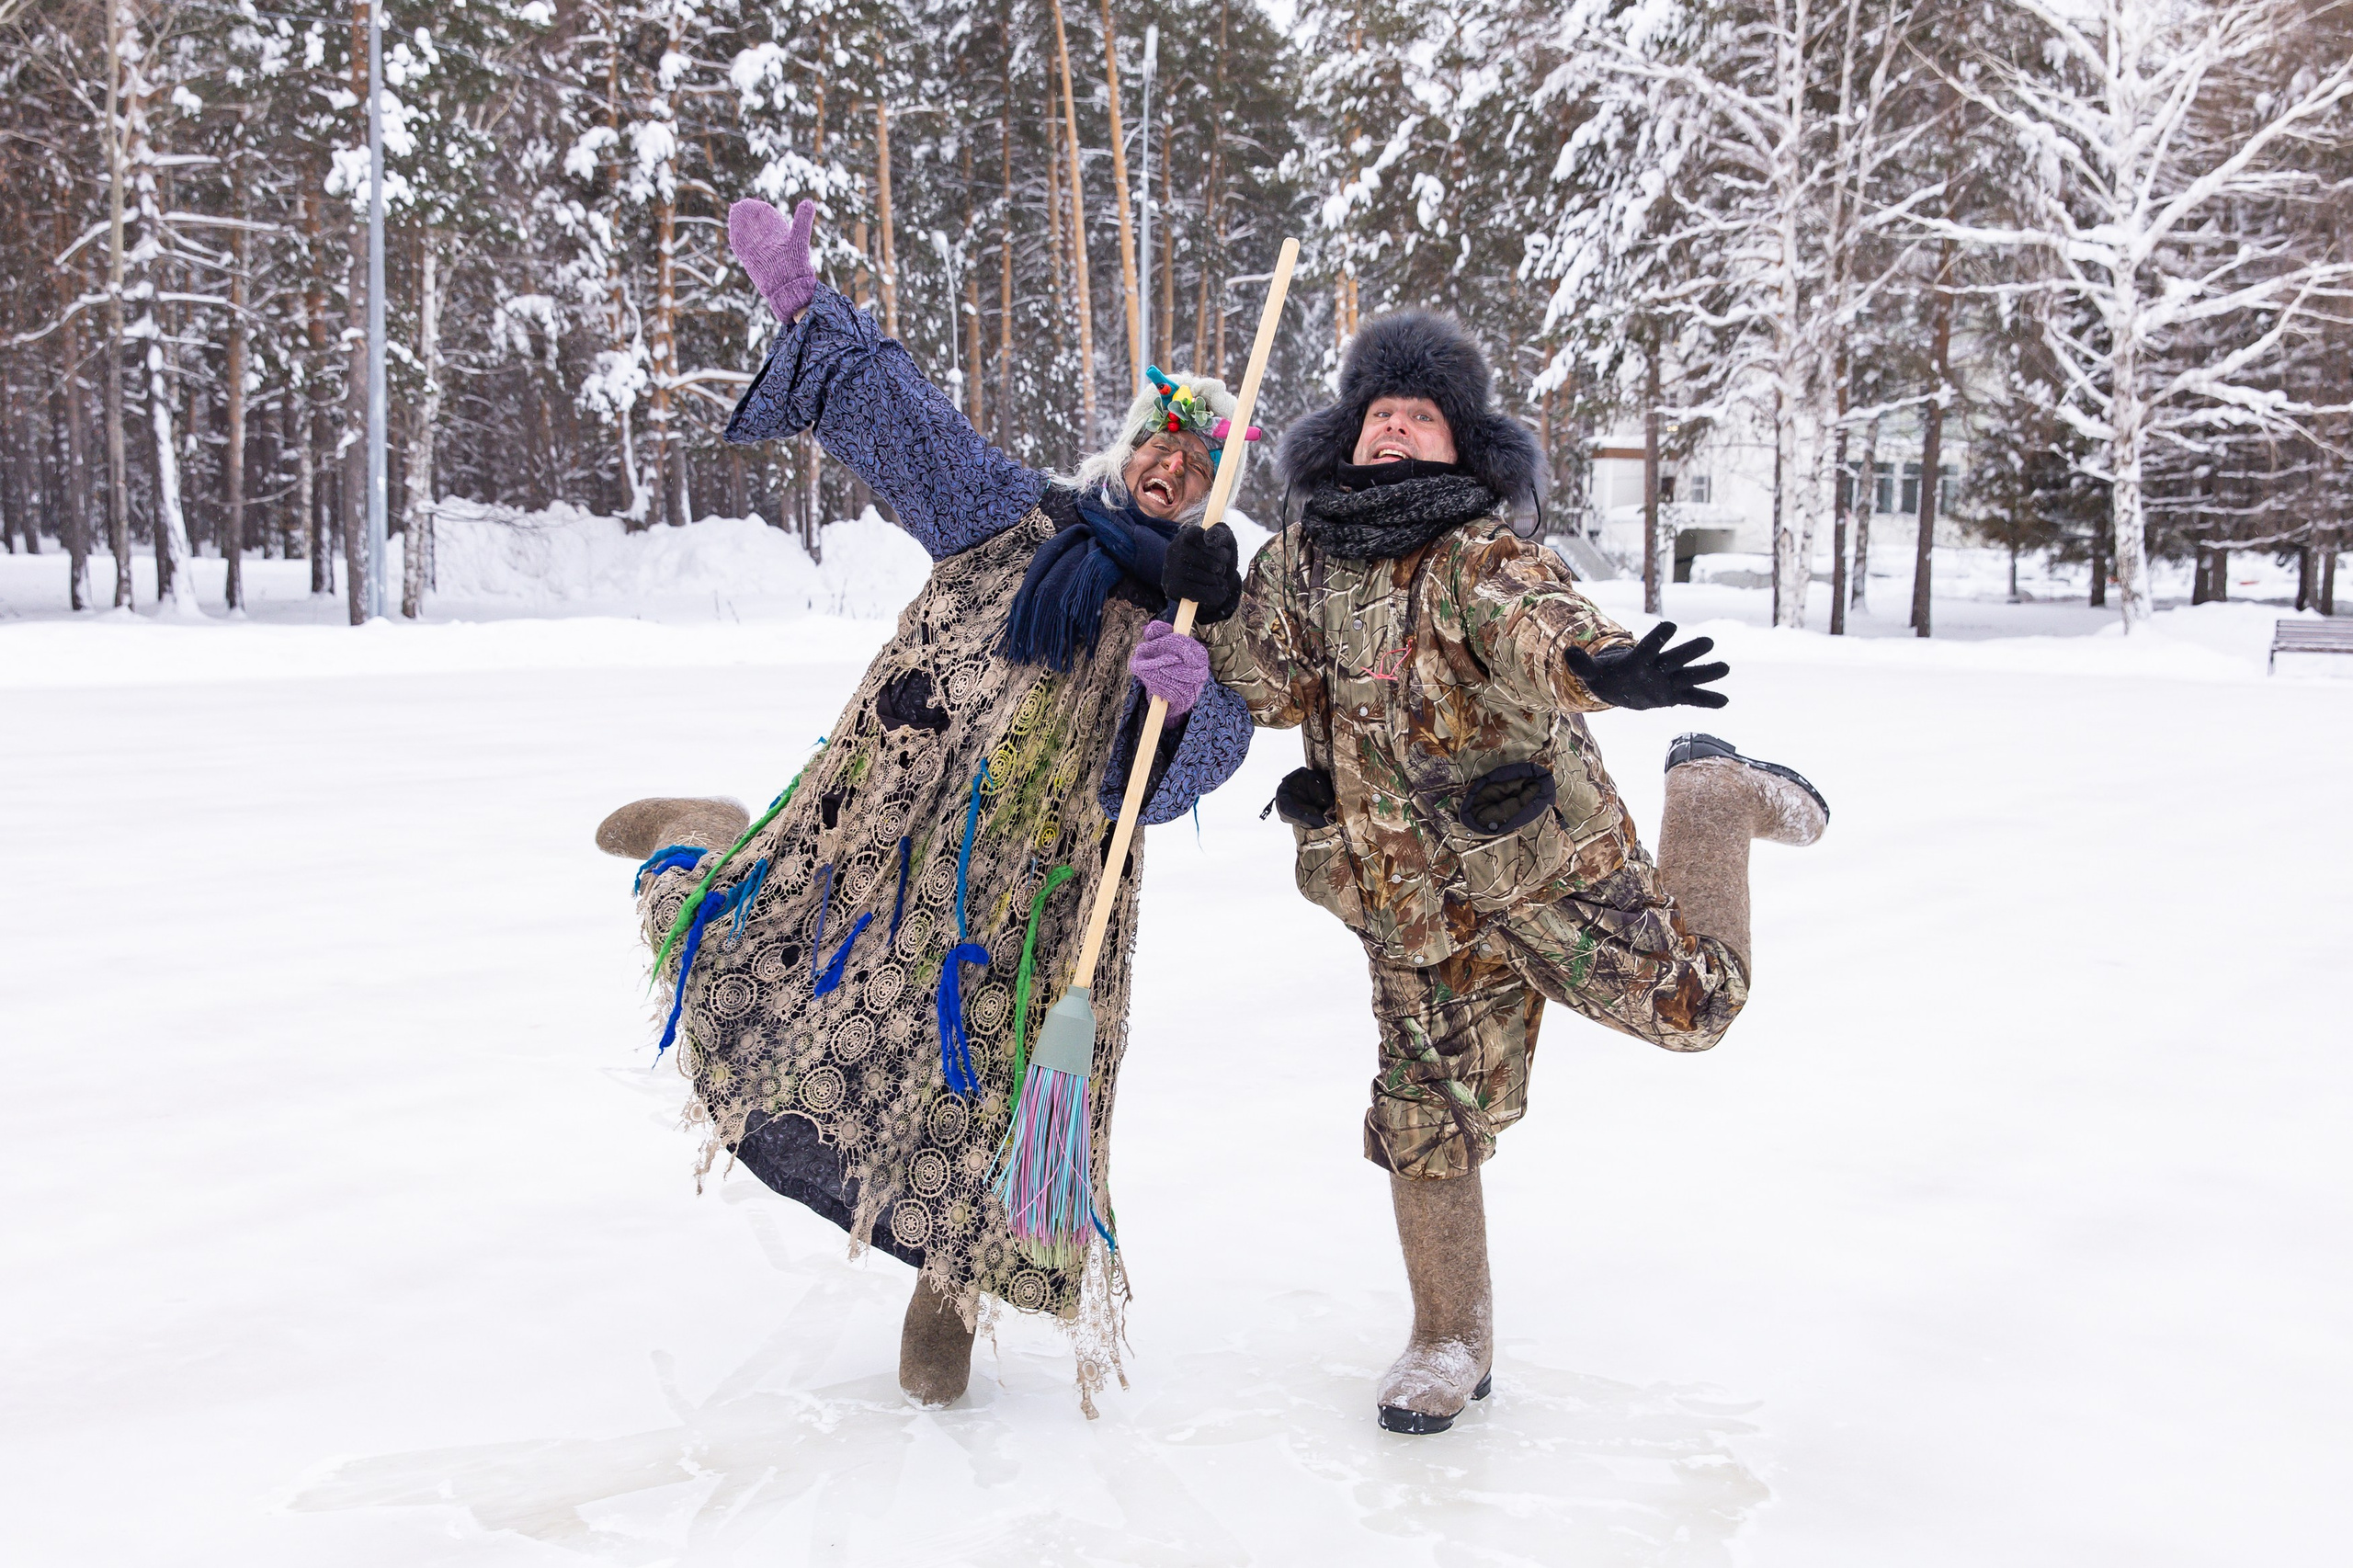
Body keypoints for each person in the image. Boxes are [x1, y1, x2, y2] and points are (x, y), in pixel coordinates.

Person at [593, 198, 1254, 1413]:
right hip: (888, 837)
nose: (1172, 466)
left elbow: (1202, 762)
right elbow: (911, 430)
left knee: (994, 1101)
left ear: (1220, 495)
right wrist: (807, 308)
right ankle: (698, 836)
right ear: (1129, 447)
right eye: (1162, 443)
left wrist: (1188, 684)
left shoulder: (1206, 612)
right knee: (741, 967)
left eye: (1202, 465)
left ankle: (944, 1299)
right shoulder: (1017, 515)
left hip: (1042, 907)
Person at [1178, 310, 1829, 1434]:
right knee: (1422, 1114)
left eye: (1417, 416)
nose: (1391, 429)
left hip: (1541, 867)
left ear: (1461, 448)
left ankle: (1715, 799)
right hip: (1404, 897)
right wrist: (1215, 594)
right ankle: (1449, 1335)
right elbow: (1271, 688)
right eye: (1377, 413)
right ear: (1345, 434)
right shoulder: (1302, 559)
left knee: (1695, 1006)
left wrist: (1600, 666)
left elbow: (1534, 617)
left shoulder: (1476, 549)